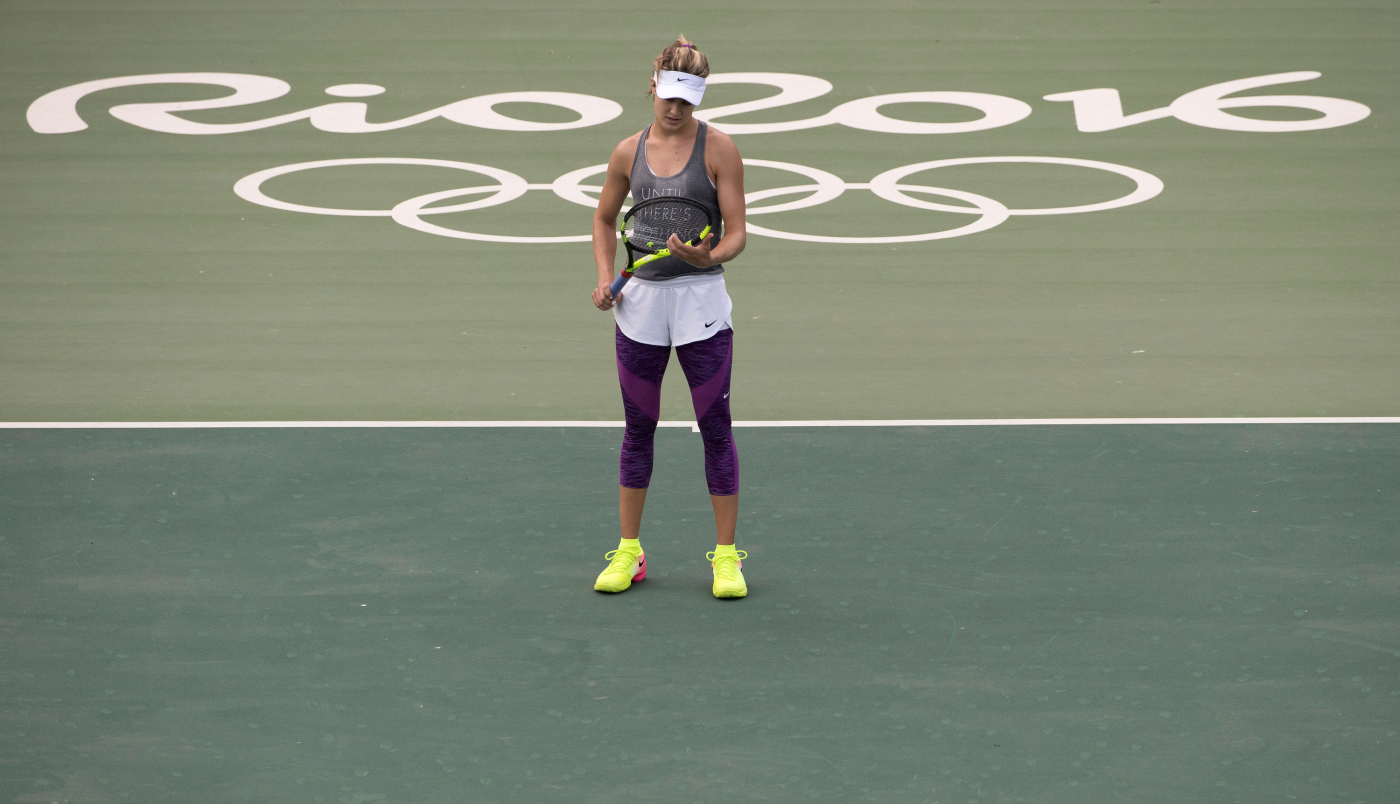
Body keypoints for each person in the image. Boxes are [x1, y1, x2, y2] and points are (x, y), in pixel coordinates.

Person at [589, 36, 749, 599]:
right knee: (638, 429)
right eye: (669, 95)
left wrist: (709, 256)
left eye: (688, 98)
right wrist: (607, 276)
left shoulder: (720, 150)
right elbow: (604, 219)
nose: (676, 108)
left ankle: (726, 559)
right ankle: (629, 553)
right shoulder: (625, 153)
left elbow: (737, 234)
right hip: (641, 309)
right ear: (653, 85)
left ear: (699, 97)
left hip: (701, 304)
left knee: (715, 430)